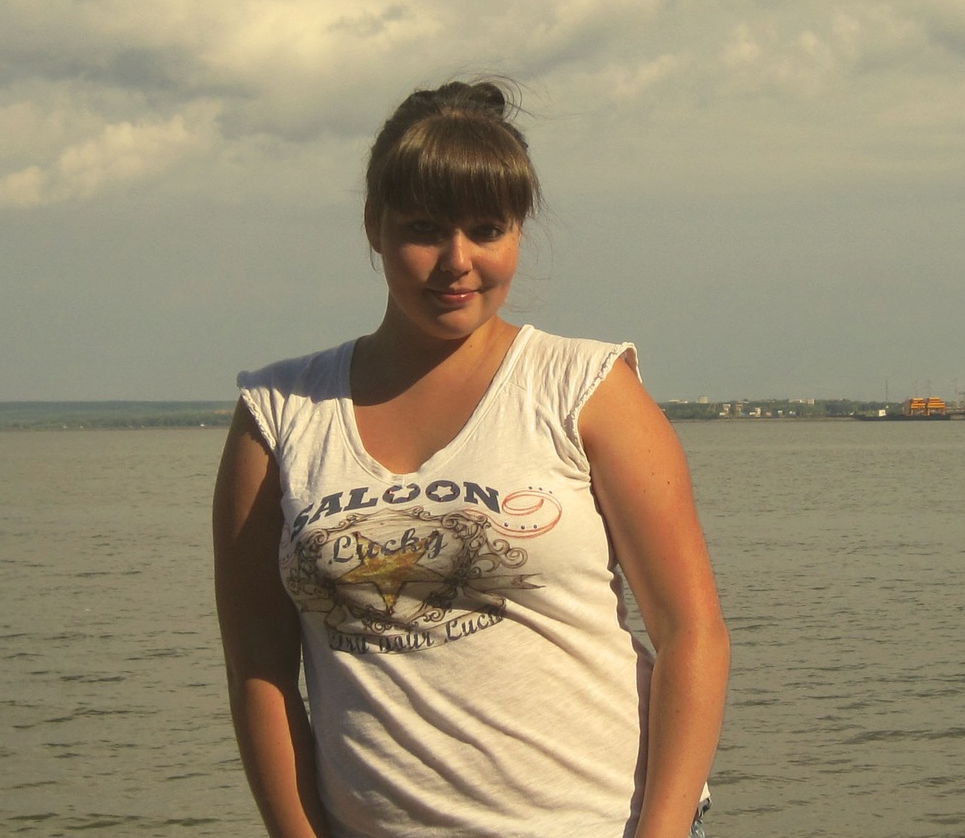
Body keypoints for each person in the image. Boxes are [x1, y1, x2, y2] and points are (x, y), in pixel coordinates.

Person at [213, 80, 729, 838]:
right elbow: (259, 672)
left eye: (487, 229)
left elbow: (692, 634)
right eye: (424, 229)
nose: (457, 261)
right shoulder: (280, 412)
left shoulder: (585, 388)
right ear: (374, 225)